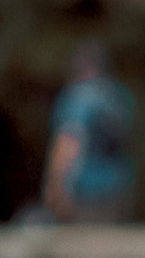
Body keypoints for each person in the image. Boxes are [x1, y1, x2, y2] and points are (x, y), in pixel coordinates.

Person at [42, 43, 135, 226]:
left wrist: (55, 185)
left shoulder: (76, 98)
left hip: (83, 191)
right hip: (118, 188)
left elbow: (68, 143)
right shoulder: (117, 96)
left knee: (84, 250)